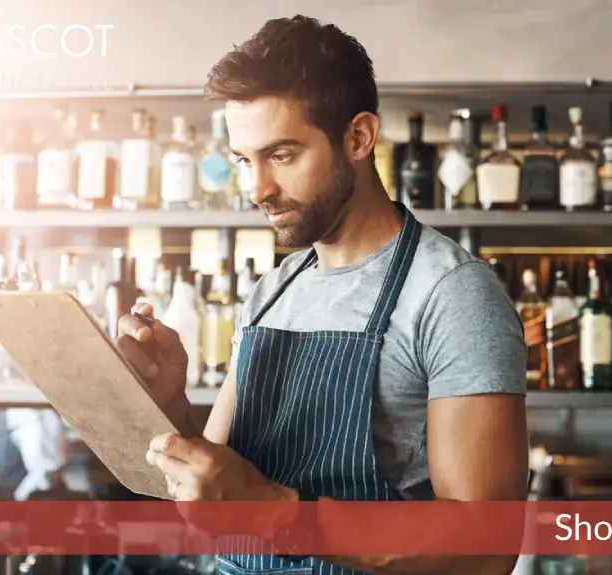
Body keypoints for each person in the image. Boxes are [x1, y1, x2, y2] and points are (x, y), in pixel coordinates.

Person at [115, 14, 529, 575]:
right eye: (244, 160)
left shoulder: (450, 293)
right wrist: (167, 402)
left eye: (281, 155)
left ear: (358, 137)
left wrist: (272, 511)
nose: (257, 189)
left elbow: (486, 545)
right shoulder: (273, 290)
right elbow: (213, 495)